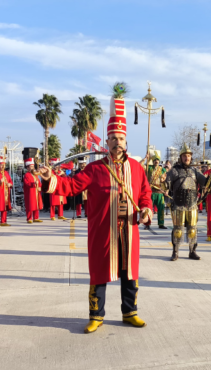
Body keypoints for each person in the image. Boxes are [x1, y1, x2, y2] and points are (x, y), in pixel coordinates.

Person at [39, 88, 153, 332]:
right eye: (113, 139)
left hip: (129, 231)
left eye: (121, 139)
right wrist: (51, 179)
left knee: (129, 274)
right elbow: (70, 186)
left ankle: (129, 312)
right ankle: (96, 316)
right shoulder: (95, 169)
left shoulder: (136, 168)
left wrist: (146, 208)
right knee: (100, 274)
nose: (117, 143)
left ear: (126, 141)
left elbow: (145, 193)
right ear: (107, 142)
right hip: (104, 232)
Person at [165, 144, 211, 261]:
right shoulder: (174, 171)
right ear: (181, 157)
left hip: (192, 204)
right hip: (178, 204)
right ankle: (175, 252)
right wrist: (164, 182)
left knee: (192, 230)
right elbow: (166, 184)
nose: (187, 158)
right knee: (177, 230)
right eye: (184, 156)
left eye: (188, 156)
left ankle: (192, 251)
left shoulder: (195, 171)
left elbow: (205, 183)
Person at [144, 152, 167, 229]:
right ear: (153, 161)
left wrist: (166, 190)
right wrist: (145, 158)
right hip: (151, 191)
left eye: (157, 160)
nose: (156, 161)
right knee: (149, 208)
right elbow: (140, 166)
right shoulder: (149, 168)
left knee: (161, 209)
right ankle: (147, 224)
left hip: (160, 192)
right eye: (155, 160)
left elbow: (165, 181)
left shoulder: (162, 170)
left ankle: (161, 223)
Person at [23, 158, 44, 223]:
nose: (32, 168)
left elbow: (39, 182)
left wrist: (40, 187)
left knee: (36, 204)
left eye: (32, 166)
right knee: (30, 205)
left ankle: (36, 217)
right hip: (30, 192)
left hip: (36, 191)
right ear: (28, 168)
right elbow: (26, 183)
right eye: (30, 167)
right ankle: (29, 218)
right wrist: (33, 183)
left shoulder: (35, 174)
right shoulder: (26, 175)